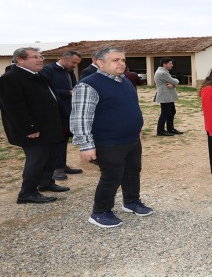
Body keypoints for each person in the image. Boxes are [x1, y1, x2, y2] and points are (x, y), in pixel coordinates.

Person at [71, 47, 153, 228]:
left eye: (123, 60)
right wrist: (86, 145)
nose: (121, 63)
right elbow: (80, 118)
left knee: (132, 172)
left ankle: (131, 202)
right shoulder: (88, 85)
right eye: (115, 60)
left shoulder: (125, 81)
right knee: (112, 177)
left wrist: (137, 129)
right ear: (100, 63)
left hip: (131, 139)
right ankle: (100, 212)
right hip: (107, 142)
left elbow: (130, 107)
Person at [0, 47, 70, 204]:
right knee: (37, 160)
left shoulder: (38, 75)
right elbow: (14, 107)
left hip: (49, 128)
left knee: (49, 157)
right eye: (35, 57)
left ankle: (45, 183)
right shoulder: (11, 78)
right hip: (33, 130)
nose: (40, 59)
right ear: (20, 60)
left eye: (41, 56)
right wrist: (29, 128)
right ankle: (27, 193)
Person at [40, 50, 84, 180]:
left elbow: (74, 87)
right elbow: (44, 91)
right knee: (57, 140)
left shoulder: (69, 72)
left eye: (76, 63)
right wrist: (68, 92)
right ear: (64, 59)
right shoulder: (48, 70)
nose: (74, 65)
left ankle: (62, 165)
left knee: (64, 139)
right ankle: (56, 169)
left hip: (67, 111)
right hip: (54, 113)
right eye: (73, 62)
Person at [154, 57, 183, 136]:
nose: (172, 65)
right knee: (165, 113)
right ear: (164, 64)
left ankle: (170, 129)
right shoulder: (162, 73)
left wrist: (173, 84)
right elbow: (175, 81)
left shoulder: (163, 71)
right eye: (170, 63)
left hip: (167, 95)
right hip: (165, 96)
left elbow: (172, 82)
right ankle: (160, 131)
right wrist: (174, 82)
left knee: (171, 112)